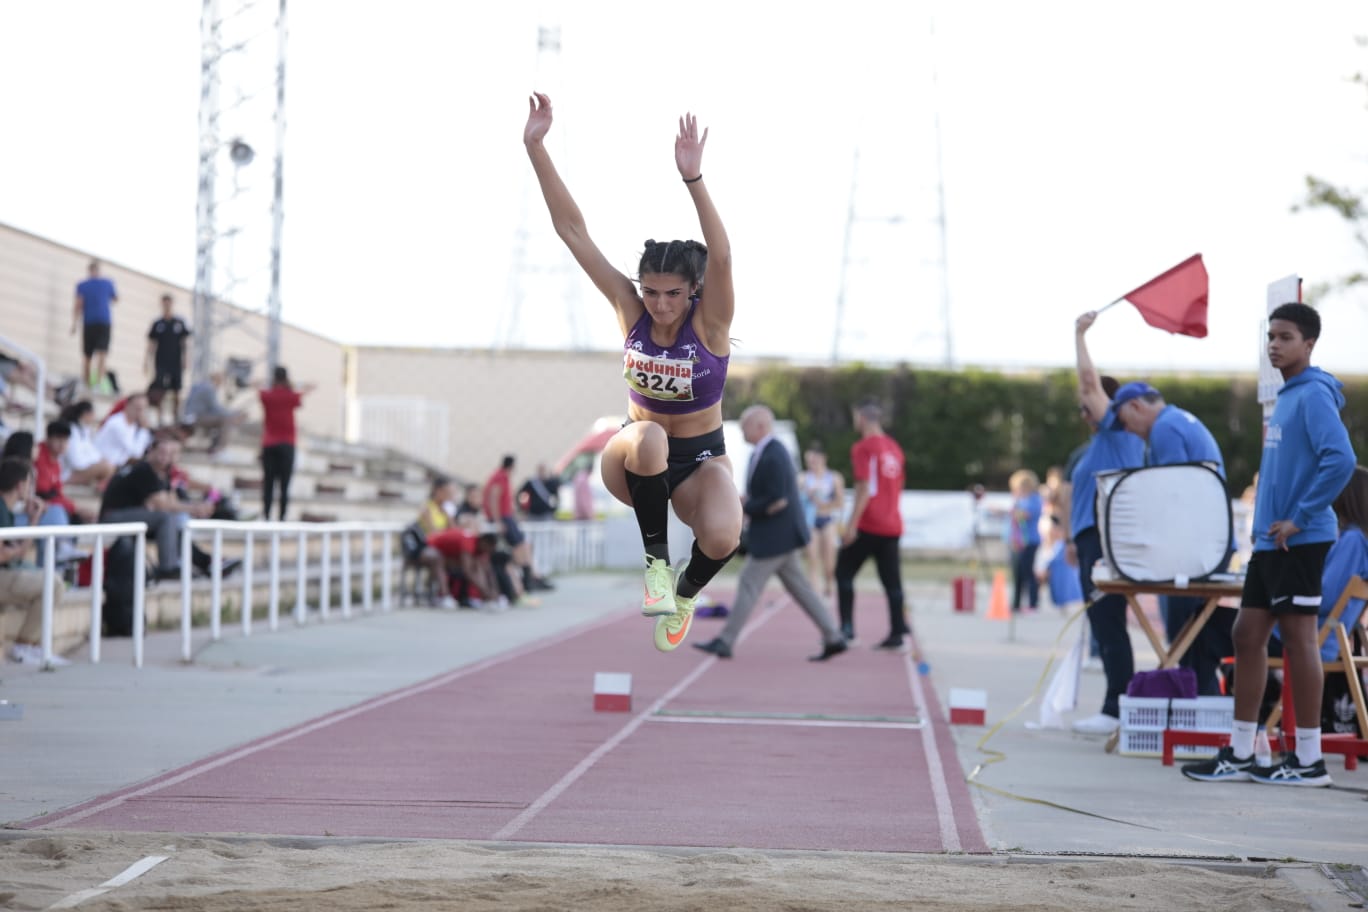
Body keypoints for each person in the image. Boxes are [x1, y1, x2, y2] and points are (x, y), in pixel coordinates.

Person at [524, 93, 740, 652]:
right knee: (648, 435)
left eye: (672, 294)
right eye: (651, 291)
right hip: (636, 458)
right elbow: (573, 232)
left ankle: (685, 595)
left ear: (691, 292)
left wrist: (694, 180)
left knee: (723, 535)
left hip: (699, 460)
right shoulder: (631, 310)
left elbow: (721, 258)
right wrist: (536, 146)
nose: (661, 304)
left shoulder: (710, 324)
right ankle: (656, 568)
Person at [1183, 303, 1356, 786]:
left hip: (1298, 541)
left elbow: (1341, 460)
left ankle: (1308, 760)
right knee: (1246, 634)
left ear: (1309, 344)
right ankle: (1241, 751)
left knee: (1300, 642)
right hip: (1269, 544)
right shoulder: (1289, 396)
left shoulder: (1315, 395)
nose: (1275, 345)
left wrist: (1299, 519)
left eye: (1285, 337)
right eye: (1271, 337)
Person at [693, 406, 847, 662]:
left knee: (748, 584)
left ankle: (726, 640)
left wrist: (745, 506)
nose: (742, 430)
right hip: (781, 536)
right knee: (801, 589)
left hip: (776, 537)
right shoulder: (767, 452)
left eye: (745, 426)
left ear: (761, 426)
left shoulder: (773, 454)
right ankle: (834, 636)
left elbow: (778, 500)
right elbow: (773, 497)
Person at [1114, 379, 1234, 696]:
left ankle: (1196, 709)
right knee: (1193, 636)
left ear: (1137, 407)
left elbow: (1172, 497)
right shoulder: (1178, 420)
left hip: (1191, 548)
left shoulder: (1165, 430)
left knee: (1184, 639)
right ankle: (1201, 706)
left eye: (1126, 423)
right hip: (1205, 542)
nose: (1128, 432)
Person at [1065, 310, 1146, 735]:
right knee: (1105, 621)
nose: (1083, 414)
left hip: (1103, 537)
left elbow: (1087, 382)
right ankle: (1117, 704)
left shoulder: (1118, 433)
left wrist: (1079, 336)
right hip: (1090, 536)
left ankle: (1117, 707)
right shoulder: (1105, 442)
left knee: (1108, 620)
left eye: (1087, 408)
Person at [834, 399, 908, 650]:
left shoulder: (863, 447)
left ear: (862, 419)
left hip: (870, 523)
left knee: (843, 572)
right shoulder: (894, 448)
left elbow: (864, 487)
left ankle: (847, 629)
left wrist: (851, 525)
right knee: (892, 582)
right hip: (892, 523)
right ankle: (898, 632)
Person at [99, 435, 222, 579]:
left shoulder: (161, 473)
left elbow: (168, 501)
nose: (165, 457)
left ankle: (205, 563)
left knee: (174, 523)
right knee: (166, 518)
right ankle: (168, 567)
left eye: (169, 454)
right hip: (112, 517)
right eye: (161, 452)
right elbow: (162, 504)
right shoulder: (143, 469)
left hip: (133, 516)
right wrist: (195, 509)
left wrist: (193, 507)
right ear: (151, 451)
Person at [0, 457, 70, 666]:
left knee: (54, 582)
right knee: (52, 583)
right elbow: (4, 554)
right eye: (31, 484)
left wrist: (33, 520)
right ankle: (25, 645)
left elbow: (16, 553)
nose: (32, 489)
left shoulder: (7, 509)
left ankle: (31, 645)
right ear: (21, 485)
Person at [484, 454, 552, 592]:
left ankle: (532, 575)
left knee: (524, 545)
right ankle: (528, 579)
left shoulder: (503, 477)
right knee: (519, 546)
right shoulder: (500, 477)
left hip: (507, 516)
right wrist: (497, 521)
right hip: (503, 517)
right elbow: (494, 500)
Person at [258, 366, 314, 521]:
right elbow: (308, 389)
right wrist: (296, 385)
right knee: (284, 485)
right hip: (287, 444)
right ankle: (282, 519)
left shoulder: (267, 395)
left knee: (268, 484)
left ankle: (266, 516)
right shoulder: (291, 396)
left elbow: (256, 387)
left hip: (269, 444)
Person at [799, 441, 844, 597]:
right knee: (812, 558)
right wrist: (808, 494)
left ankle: (829, 583)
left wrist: (824, 505)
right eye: (809, 461)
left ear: (823, 458)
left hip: (827, 521)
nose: (812, 463)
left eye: (815, 460)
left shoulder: (834, 477)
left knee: (829, 560)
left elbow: (840, 502)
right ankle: (814, 592)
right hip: (810, 522)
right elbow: (797, 500)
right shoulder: (803, 478)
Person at [145, 294, 191, 425]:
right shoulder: (157, 323)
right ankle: (159, 418)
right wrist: (146, 361)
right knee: (160, 390)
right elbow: (152, 343)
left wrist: (185, 359)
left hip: (175, 361)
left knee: (176, 390)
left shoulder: (179, 322)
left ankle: (176, 417)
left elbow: (184, 342)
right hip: (161, 361)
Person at [72, 259, 118, 391]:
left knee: (101, 353)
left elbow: (114, 298)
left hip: (102, 322)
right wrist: (75, 323)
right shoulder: (85, 285)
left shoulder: (105, 283)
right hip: (91, 322)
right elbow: (78, 304)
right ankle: (88, 383)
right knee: (88, 354)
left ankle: (97, 382)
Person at [1005, 469, 1043, 614]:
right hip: (1016, 540)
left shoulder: (1034, 499)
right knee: (1017, 573)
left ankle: (1033, 603)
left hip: (1029, 540)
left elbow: (1024, 516)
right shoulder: (1018, 499)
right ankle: (1016, 603)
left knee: (1028, 572)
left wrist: (1007, 511)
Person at [182, 370, 244, 455]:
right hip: (195, 417)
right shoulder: (209, 388)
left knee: (225, 418)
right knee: (226, 419)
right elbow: (215, 408)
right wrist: (233, 414)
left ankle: (216, 445)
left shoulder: (201, 385)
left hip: (192, 416)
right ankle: (221, 449)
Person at [56, 400, 116, 488]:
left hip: (79, 468)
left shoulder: (83, 430)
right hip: (68, 473)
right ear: (86, 414)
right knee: (107, 467)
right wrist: (95, 463)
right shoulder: (72, 430)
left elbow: (91, 451)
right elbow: (76, 461)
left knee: (109, 464)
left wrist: (99, 460)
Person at [94, 393, 152, 469]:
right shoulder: (117, 423)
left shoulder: (133, 425)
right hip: (102, 465)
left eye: (142, 409)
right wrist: (144, 430)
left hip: (116, 465)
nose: (140, 412)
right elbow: (136, 453)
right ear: (127, 405)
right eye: (137, 408)